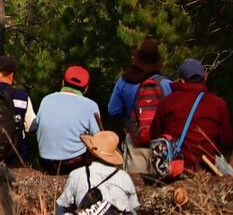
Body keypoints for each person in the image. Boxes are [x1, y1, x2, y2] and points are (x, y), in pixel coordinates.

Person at [150, 58, 233, 171]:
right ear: (204, 78)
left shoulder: (167, 103)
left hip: (174, 167)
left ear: (182, 81)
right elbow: (226, 141)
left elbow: (155, 134)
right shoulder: (219, 105)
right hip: (207, 167)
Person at [107, 39, 173, 173]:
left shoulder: (124, 81)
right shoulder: (167, 85)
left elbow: (112, 110)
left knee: (134, 185)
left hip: (134, 139)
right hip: (161, 142)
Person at [55, 131, 138, 215]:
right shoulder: (124, 177)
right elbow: (133, 212)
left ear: (90, 153)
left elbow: (60, 209)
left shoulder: (76, 174)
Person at [36, 66, 102, 175]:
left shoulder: (46, 99)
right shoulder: (90, 105)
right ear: (86, 88)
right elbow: (99, 139)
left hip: (46, 162)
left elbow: (37, 126)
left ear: (63, 83)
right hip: (73, 164)